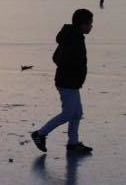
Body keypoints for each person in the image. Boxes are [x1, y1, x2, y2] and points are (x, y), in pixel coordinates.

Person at [31, 8, 94, 156]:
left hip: (72, 82)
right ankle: (40, 134)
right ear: (82, 24)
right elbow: (58, 58)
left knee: (77, 113)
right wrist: (72, 69)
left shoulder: (75, 36)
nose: (91, 26)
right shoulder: (73, 38)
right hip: (67, 82)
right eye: (90, 23)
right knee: (68, 113)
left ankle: (73, 143)